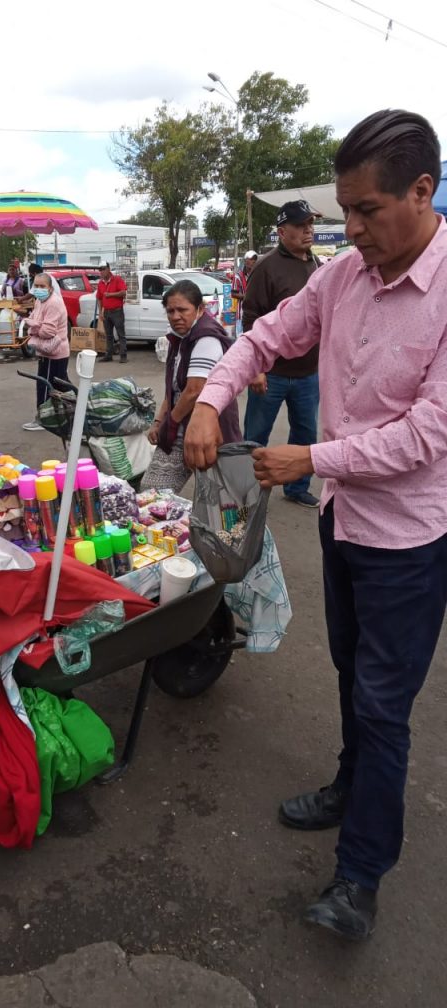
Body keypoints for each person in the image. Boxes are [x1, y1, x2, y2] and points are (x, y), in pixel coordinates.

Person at [184, 109, 447, 941]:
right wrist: (212, 396)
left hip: (410, 537)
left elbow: (428, 435)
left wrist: (311, 459)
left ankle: (361, 874)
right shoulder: (339, 278)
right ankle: (347, 786)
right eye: (344, 215)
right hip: (344, 523)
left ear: (422, 190)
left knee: (382, 702)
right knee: (348, 673)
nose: (352, 230)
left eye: (368, 211)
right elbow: (265, 335)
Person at [242, 201, 321, 509]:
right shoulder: (266, 267)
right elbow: (250, 319)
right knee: (255, 435)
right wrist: (255, 368)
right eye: (302, 225)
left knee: (305, 434)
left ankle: (297, 487)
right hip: (272, 372)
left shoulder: (316, 265)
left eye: (310, 224)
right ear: (282, 231)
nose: (309, 230)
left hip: (307, 374)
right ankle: (247, 490)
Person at [141, 280, 240, 492]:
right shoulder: (180, 337)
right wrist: (159, 421)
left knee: (223, 502)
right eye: (170, 311)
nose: (176, 316)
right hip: (180, 425)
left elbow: (194, 390)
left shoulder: (206, 338)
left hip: (207, 429)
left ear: (200, 309)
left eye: (182, 310)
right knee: (153, 491)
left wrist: (170, 423)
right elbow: (175, 388)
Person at [21, 273, 69, 432]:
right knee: (61, 384)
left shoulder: (53, 303)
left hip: (53, 353)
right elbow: (35, 319)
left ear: (50, 288)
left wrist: (33, 327)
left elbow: (48, 331)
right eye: (36, 286)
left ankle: (43, 419)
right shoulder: (40, 301)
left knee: (45, 385)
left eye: (42, 286)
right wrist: (34, 324)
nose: (39, 289)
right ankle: (77, 411)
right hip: (49, 352)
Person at [96, 262, 127, 363]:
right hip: (107, 312)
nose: (101, 271)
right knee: (108, 335)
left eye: (103, 269)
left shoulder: (117, 279)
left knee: (120, 334)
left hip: (117, 311)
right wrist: (100, 312)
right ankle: (108, 355)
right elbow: (99, 299)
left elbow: (123, 292)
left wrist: (111, 295)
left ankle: (123, 356)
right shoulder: (100, 283)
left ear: (108, 269)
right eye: (100, 270)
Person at [231, 250, 258, 315]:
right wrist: (249, 297)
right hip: (242, 314)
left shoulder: (259, 275)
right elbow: (234, 294)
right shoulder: (238, 276)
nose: (253, 261)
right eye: (251, 259)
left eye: (254, 259)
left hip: (256, 314)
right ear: (245, 261)